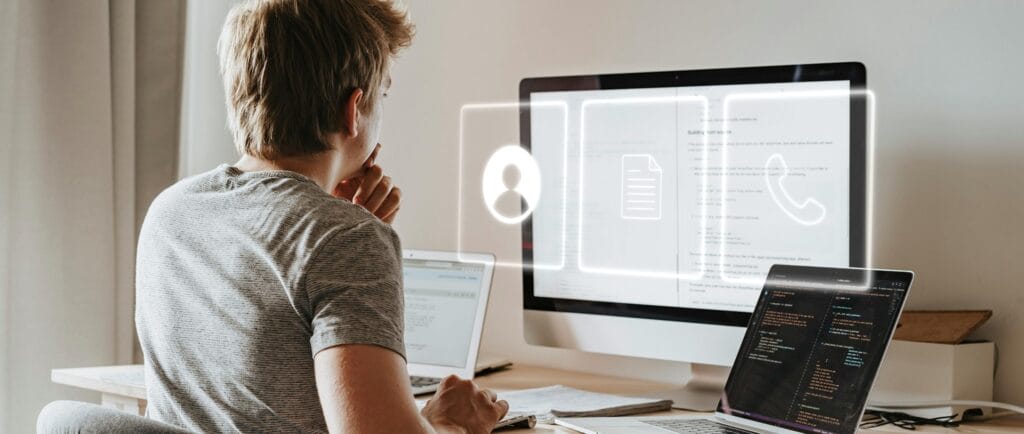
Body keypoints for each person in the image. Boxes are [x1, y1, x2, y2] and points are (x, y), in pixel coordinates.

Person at [134, 1, 508, 433]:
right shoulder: (345, 238)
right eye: (382, 95)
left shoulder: (170, 211)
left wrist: (334, 219)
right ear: (354, 110)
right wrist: (451, 424)